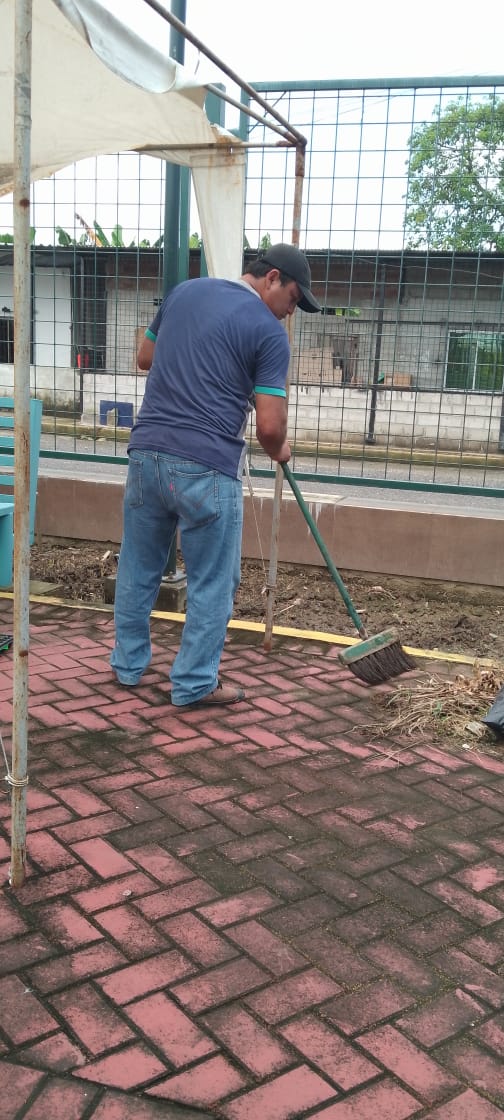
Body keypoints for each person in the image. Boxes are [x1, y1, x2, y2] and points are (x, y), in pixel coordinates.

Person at [110, 243, 320, 710]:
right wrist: (280, 450)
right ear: (272, 278)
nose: (290, 312)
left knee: (138, 566)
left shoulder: (184, 292)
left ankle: (127, 665)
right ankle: (194, 684)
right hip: (207, 465)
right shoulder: (268, 332)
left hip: (146, 454)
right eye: (292, 299)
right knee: (213, 580)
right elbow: (270, 427)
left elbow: (145, 357)